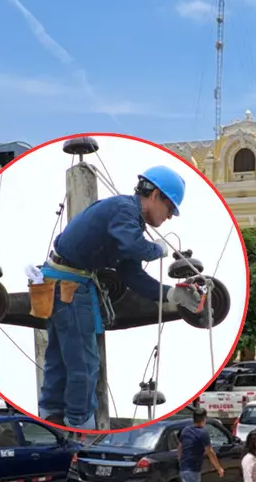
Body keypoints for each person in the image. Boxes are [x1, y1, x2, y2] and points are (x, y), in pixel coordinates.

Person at [37, 166, 207, 429]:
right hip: (70, 287)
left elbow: (132, 275)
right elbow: (133, 246)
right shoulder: (125, 211)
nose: (169, 217)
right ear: (156, 195)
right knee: (84, 364)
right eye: (170, 208)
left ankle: (52, 419)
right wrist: (157, 249)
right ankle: (80, 428)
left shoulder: (125, 219)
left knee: (60, 359)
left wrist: (172, 294)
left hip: (58, 284)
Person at [177, 407, 224, 482]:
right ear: (204, 419)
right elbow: (210, 452)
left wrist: (181, 461)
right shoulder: (203, 433)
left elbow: (180, 448)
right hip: (193, 470)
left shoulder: (186, 430)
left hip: (184, 469)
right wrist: (219, 468)